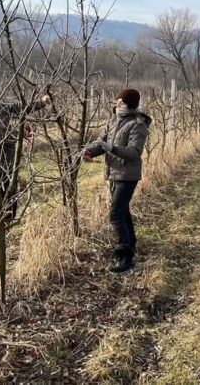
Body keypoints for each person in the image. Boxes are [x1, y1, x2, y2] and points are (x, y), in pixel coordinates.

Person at [0, 78, 50, 249]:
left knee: (10, 199)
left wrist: (41, 103)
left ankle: (1, 234)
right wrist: (20, 134)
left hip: (6, 162)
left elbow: (18, 108)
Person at [83, 89, 151, 273]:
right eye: (117, 101)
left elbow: (134, 152)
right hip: (113, 173)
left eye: (121, 102)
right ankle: (132, 244)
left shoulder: (138, 125)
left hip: (127, 175)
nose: (117, 104)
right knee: (122, 211)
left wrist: (112, 148)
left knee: (115, 214)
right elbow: (101, 141)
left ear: (130, 104)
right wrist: (89, 151)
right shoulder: (113, 120)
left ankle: (125, 257)